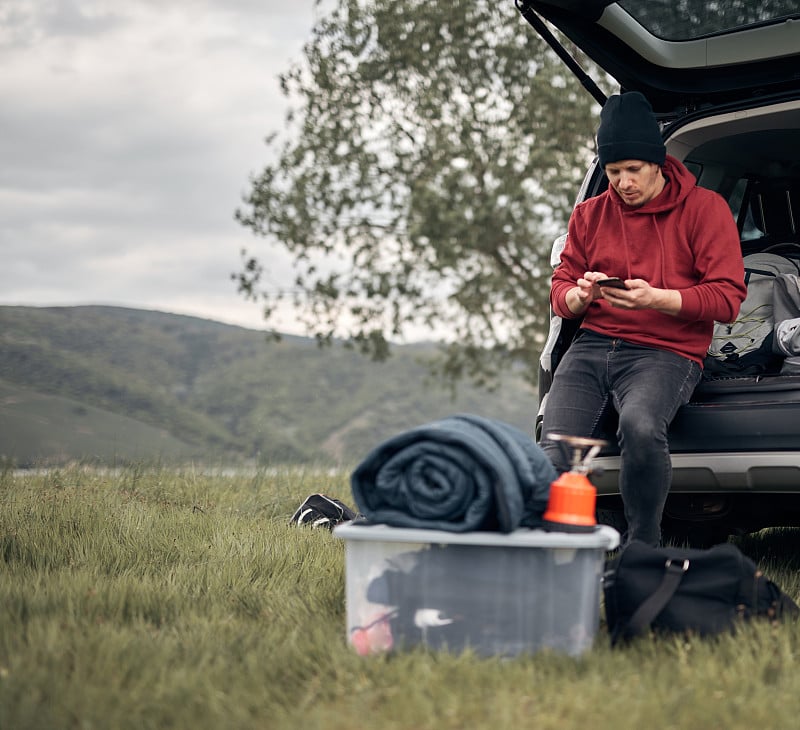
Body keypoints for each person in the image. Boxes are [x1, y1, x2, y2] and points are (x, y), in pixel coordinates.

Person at [540, 91, 747, 546]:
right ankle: (552, 548)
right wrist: (579, 296)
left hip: (668, 350)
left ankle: (643, 547)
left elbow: (728, 298)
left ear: (658, 162)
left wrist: (659, 299)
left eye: (633, 170)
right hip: (594, 343)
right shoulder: (589, 215)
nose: (623, 182)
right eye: (613, 172)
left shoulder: (705, 210)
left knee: (639, 426)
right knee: (555, 443)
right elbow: (560, 290)